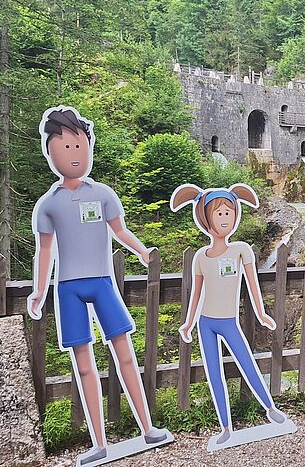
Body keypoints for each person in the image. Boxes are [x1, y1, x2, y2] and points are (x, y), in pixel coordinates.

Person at [27, 106, 169, 465]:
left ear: (89, 147)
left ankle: (148, 428)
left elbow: (120, 230)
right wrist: (39, 290)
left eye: (80, 146)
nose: (74, 154)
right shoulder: (48, 205)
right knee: (84, 366)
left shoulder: (103, 194)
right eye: (65, 147)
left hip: (103, 282)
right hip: (68, 288)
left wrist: (141, 251)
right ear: (50, 152)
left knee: (125, 354)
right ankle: (99, 443)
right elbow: (46, 251)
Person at [171, 183, 287, 446]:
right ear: (205, 219)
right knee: (215, 374)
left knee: (247, 363)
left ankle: (270, 408)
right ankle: (225, 426)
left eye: (228, 213)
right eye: (219, 213)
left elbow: (253, 284)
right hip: (206, 323)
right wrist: (188, 323)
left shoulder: (240, 250)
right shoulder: (200, 257)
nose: (225, 218)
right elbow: (196, 294)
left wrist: (261, 313)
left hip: (229, 322)